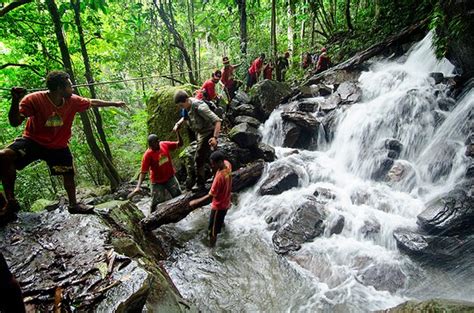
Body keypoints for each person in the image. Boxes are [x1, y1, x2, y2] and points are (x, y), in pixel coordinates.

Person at [0, 70, 126, 224]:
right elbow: (15, 122)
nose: (72, 89)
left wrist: (115, 103)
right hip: (33, 142)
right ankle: (10, 202)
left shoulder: (73, 101)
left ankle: (73, 204)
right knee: (4, 156)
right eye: (69, 86)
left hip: (58, 146)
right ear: (60, 88)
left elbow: (92, 102)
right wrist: (15, 101)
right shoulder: (34, 99)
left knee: (68, 173)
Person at [173, 90, 222, 191]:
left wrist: (215, 138)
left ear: (187, 100)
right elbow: (185, 116)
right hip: (199, 132)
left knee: (198, 157)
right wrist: (178, 123)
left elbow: (217, 121)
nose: (181, 108)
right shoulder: (186, 106)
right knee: (208, 156)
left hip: (208, 132)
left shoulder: (200, 107)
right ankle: (217, 176)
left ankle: (200, 184)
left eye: (181, 105)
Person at [127, 131, 183, 213]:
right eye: (150, 146)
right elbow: (143, 172)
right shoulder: (147, 155)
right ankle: (152, 218)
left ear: (158, 142)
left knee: (179, 196)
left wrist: (178, 132)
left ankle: (182, 214)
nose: (151, 147)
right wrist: (138, 186)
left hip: (170, 177)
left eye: (153, 145)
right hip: (157, 182)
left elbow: (180, 144)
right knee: (156, 203)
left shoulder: (164, 144)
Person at [189, 151, 232, 247]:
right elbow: (223, 158)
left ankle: (211, 249)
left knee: (212, 232)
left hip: (218, 207)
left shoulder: (219, 178)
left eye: (213, 164)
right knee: (220, 221)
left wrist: (196, 202)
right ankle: (221, 227)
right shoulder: (228, 165)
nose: (212, 166)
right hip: (226, 202)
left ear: (220, 162)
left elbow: (210, 196)